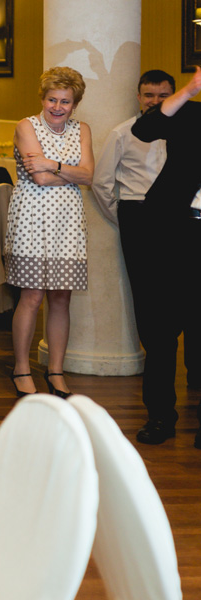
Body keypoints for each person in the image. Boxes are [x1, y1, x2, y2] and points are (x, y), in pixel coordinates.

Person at [5, 66, 94, 399]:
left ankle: (55, 371)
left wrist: (51, 164)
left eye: (65, 101)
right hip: (31, 218)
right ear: (42, 99)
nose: (58, 107)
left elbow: (89, 176)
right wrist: (69, 172)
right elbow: (39, 179)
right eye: (52, 99)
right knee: (31, 297)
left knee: (61, 297)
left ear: (75, 104)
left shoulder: (82, 129)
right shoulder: (26, 126)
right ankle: (21, 368)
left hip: (68, 222)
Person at [131, 66, 201, 447]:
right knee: (160, 332)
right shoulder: (188, 111)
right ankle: (160, 416)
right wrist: (189, 90)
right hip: (170, 232)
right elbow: (144, 129)